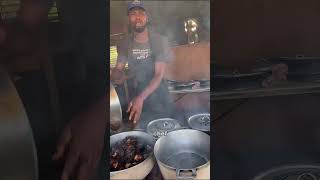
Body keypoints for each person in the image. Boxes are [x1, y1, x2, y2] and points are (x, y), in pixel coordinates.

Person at [1, 0, 108, 180]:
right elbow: (29, 22)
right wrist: (6, 37)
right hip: (80, 91)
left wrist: (100, 113)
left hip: (110, 103)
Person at [111, 0, 174, 130]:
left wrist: (141, 98)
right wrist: (115, 74)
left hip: (159, 95)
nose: (137, 17)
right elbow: (119, 69)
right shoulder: (125, 43)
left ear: (147, 17)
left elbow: (158, 75)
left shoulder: (159, 40)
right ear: (129, 18)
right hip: (136, 92)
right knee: (141, 133)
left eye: (141, 13)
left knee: (164, 131)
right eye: (133, 13)